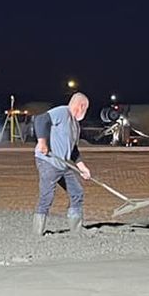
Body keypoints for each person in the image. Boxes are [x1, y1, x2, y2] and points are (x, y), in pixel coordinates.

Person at [32, 92, 92, 237]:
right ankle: (37, 232)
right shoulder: (62, 112)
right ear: (81, 106)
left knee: (76, 192)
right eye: (85, 109)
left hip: (63, 165)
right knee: (47, 196)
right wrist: (42, 142)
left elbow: (73, 149)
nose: (85, 112)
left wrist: (82, 167)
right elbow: (40, 120)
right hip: (48, 161)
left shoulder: (75, 125)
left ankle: (76, 230)